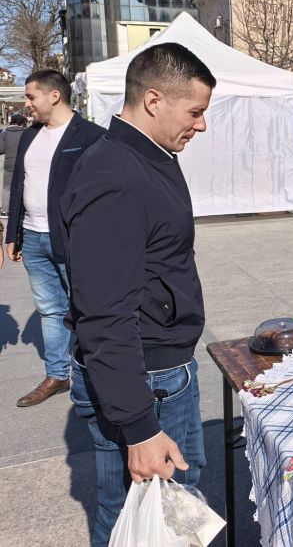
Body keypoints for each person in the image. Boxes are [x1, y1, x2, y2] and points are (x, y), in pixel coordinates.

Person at [60, 43, 216, 546]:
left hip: (159, 370)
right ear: (153, 100)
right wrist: (140, 428)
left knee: (168, 512)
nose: (202, 125)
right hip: (147, 380)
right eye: (195, 112)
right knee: (146, 514)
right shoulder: (117, 176)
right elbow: (103, 315)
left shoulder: (145, 157)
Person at [4, 70, 105, 407]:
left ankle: (100, 374)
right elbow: (18, 185)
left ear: (54, 95)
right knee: (50, 309)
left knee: (88, 306)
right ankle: (58, 375)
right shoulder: (30, 136)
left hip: (73, 240)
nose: (26, 103)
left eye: (31, 97)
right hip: (32, 237)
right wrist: (12, 233)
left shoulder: (92, 136)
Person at [1, 112, 29, 215]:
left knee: (7, 187)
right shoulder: (26, 132)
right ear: (21, 122)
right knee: (23, 185)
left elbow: (1, 149)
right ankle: (22, 209)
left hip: (8, 164)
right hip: (23, 163)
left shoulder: (4, 133)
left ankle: (5, 210)